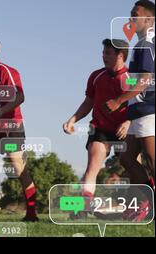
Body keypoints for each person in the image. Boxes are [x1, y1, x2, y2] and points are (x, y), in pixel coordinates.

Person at [63, 39, 131, 218]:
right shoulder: (96, 76)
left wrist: (128, 122)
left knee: (132, 167)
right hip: (100, 128)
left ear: (120, 55)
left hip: (124, 131)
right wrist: (73, 120)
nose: (103, 56)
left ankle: (132, 206)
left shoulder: (132, 78)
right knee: (92, 167)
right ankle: (84, 209)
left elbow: (138, 105)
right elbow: (88, 102)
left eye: (108, 53)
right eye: (103, 52)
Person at [0, 37, 38, 221]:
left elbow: (20, 96)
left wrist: (0, 112)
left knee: (17, 165)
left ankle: (32, 214)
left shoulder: (7, 71)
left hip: (11, 127)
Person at [105, 0, 155, 221]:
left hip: (149, 109)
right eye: (130, 14)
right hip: (138, 111)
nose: (131, 18)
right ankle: (146, 200)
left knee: (152, 162)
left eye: (135, 14)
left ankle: (147, 203)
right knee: (126, 158)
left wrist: (118, 101)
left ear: (149, 19)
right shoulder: (141, 43)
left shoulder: (146, 45)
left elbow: (144, 80)